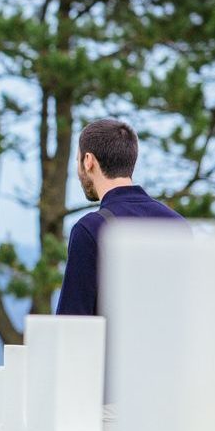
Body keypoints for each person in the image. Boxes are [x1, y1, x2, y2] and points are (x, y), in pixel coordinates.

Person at [55, 118, 185, 316]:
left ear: (88, 161)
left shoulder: (91, 229)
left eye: (77, 160)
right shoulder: (177, 225)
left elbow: (71, 322)